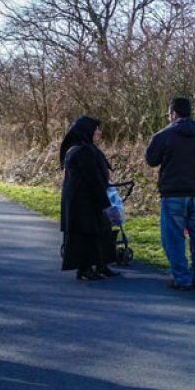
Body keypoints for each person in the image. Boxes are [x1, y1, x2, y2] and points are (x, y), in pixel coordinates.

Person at [145, 97, 195, 291]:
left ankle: (182, 277)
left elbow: (151, 160)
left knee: (173, 237)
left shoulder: (164, 136)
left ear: (173, 113)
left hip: (173, 194)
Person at [59, 115, 120, 280]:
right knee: (85, 233)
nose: (99, 132)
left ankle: (101, 264)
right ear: (87, 131)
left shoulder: (87, 148)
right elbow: (93, 179)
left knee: (103, 229)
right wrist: (105, 202)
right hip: (81, 201)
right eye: (97, 129)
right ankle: (84, 268)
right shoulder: (81, 151)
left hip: (87, 198)